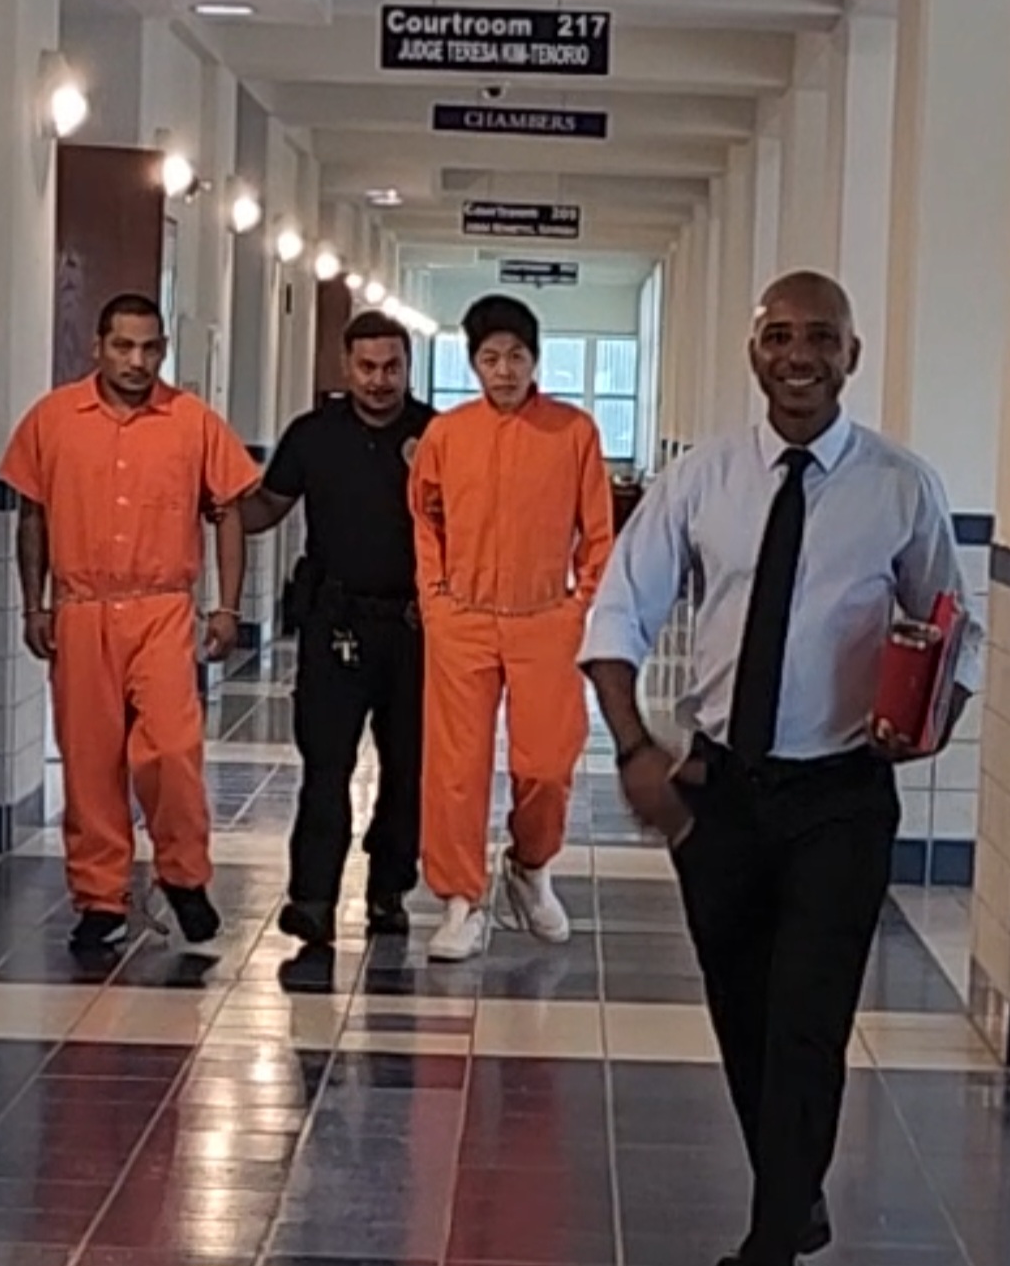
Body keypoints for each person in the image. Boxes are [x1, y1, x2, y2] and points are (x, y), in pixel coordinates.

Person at [579, 270, 984, 1266]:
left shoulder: (900, 483)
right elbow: (619, 612)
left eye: (821, 337)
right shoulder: (703, 479)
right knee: (744, 1006)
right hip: (720, 791)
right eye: (780, 336)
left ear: (852, 354)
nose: (799, 354)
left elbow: (953, 626)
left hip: (841, 793)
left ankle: (771, 1234)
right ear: (755, 350)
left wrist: (927, 720)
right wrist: (635, 744)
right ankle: (793, 1193)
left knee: (808, 1013)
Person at [0, 293, 260, 953]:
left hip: (162, 605)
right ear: (98, 346)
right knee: (89, 760)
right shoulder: (53, 419)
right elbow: (31, 515)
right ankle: (100, 897)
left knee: (172, 750)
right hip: (82, 608)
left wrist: (228, 605)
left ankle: (183, 877)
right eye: (124, 346)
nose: (137, 360)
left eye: (150, 347)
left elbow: (229, 509)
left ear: (164, 350)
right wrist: (36, 603)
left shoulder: (191, 421)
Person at [409, 294, 613, 962]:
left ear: (536, 359)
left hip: (544, 619)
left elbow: (599, 532)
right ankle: (460, 900)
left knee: (547, 763)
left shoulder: (573, 431)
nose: (504, 370)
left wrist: (581, 604)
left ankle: (531, 864)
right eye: (490, 358)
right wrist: (435, 597)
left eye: (516, 356)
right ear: (472, 363)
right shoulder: (446, 434)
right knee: (456, 769)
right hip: (461, 618)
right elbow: (425, 521)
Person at [241, 310, 434, 946]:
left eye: (392, 367)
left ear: (409, 367)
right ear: (346, 367)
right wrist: (205, 503)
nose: (380, 381)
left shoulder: (436, 435)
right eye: (367, 367)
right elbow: (266, 506)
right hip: (336, 624)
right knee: (326, 765)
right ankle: (314, 897)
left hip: (415, 629)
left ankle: (389, 890)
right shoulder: (313, 435)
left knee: (408, 767)